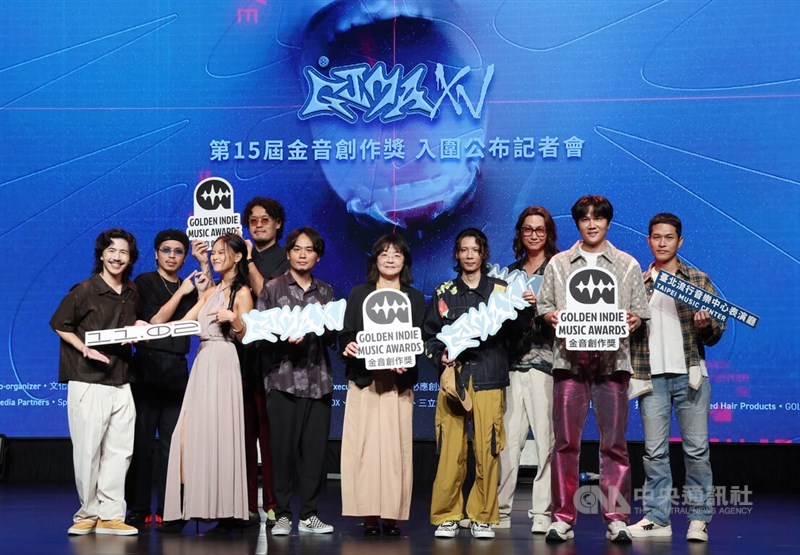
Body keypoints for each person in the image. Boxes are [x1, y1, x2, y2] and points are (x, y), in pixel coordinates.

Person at [537, 196, 649, 543]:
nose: (591, 224)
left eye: (598, 218)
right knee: (565, 443)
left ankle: (616, 517)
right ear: (577, 224)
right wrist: (549, 316)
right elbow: (544, 306)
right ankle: (562, 517)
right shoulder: (558, 264)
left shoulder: (627, 264)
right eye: (584, 218)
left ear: (608, 222)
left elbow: (639, 312)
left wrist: (633, 320)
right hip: (569, 363)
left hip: (612, 364)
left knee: (614, 444)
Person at [628, 213, 725, 542]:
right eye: (656, 237)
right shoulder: (638, 283)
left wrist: (706, 326)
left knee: (696, 451)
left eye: (669, 237)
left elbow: (718, 330)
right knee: (654, 452)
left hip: (691, 375)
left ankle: (699, 518)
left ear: (679, 241)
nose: (662, 242)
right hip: (651, 377)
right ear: (648, 240)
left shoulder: (697, 279)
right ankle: (657, 518)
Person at [50, 228, 141, 536]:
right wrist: (84, 348)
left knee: (120, 450)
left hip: (122, 378)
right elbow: (60, 324)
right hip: (87, 378)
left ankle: (111, 515)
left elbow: (127, 328)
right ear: (102, 254)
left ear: (130, 258)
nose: (117, 257)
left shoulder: (131, 292)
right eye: (112, 251)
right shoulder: (85, 289)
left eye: (124, 252)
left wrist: (139, 327)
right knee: (88, 451)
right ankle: (87, 512)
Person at [162, 234, 252, 532]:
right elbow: (185, 323)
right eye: (213, 252)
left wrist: (234, 319)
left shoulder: (242, 292)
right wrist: (148, 329)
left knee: (220, 434)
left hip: (225, 359)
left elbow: (248, 337)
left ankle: (226, 511)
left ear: (237, 257)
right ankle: (184, 508)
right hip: (202, 361)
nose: (214, 256)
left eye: (221, 252)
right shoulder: (212, 290)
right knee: (187, 435)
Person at [424, 228, 509, 540]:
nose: (470, 255)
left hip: (489, 376)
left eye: (475, 249)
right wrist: (440, 355)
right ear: (457, 255)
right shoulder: (443, 292)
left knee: (488, 448)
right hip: (454, 380)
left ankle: (481, 516)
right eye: (464, 250)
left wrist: (526, 310)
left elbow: (516, 333)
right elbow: (429, 336)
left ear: (484, 253)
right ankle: (447, 514)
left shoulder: (502, 290)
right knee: (450, 449)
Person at [339, 235, 426, 536]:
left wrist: (408, 359)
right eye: (384, 253)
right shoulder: (359, 293)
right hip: (365, 381)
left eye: (397, 254)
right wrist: (348, 345)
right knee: (362, 449)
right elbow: (346, 334)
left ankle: (391, 516)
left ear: (405, 261)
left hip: (397, 384)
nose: (390, 259)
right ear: (375, 259)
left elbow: (418, 340)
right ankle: (368, 515)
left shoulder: (414, 298)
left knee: (395, 450)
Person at [125, 231, 209, 527]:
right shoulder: (145, 282)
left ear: (185, 256)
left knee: (172, 446)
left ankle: (169, 507)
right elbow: (154, 322)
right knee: (142, 443)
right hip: (147, 369)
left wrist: (201, 278)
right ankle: (136, 507)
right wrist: (182, 292)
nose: (172, 255)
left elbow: (200, 316)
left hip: (176, 370)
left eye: (178, 251)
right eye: (166, 250)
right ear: (156, 253)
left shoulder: (193, 285)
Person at [258, 227, 336, 536]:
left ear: (318, 256)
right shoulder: (273, 288)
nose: (303, 254)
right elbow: (260, 333)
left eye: (309, 250)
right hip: (283, 380)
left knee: (315, 453)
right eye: (297, 249)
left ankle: (310, 513)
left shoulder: (327, 292)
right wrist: (282, 335)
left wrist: (316, 331)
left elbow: (333, 333)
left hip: (319, 382)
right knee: (282, 452)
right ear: (288, 253)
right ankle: (281, 514)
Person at [497, 207, 558, 533]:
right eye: (527, 229)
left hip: (545, 365)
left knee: (547, 441)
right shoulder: (508, 273)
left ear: (548, 233)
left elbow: (572, 316)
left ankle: (542, 514)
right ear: (520, 234)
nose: (533, 234)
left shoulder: (559, 270)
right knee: (508, 442)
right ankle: (501, 510)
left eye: (539, 229)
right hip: (511, 365)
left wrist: (542, 306)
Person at [240, 197, 290, 526]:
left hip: (274, 359)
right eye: (253, 220)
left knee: (270, 438)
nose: (258, 224)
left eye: (265, 220)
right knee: (241, 435)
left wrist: (246, 262)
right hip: (240, 356)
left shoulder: (288, 257)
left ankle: (272, 504)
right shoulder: (236, 253)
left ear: (277, 224)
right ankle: (242, 504)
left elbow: (266, 296)